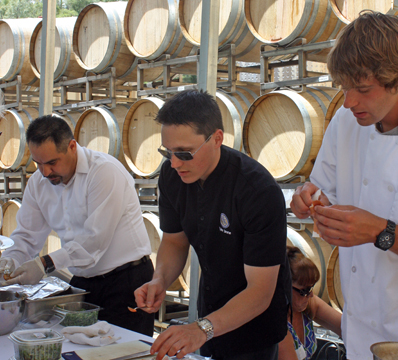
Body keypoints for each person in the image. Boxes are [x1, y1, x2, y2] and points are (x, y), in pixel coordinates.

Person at [290, 10, 398, 359]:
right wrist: (309, 200)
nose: (349, 101)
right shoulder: (345, 121)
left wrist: (379, 232)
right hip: (359, 333)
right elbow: (324, 191)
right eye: (344, 88)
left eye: (363, 90)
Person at [134, 89, 289, 360]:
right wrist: (160, 279)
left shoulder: (257, 190)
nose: (174, 163)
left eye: (184, 153)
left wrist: (201, 329)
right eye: (167, 152)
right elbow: (174, 240)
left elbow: (260, 292)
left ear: (217, 138)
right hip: (208, 315)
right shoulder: (171, 176)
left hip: (254, 328)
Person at [0, 115, 155, 336]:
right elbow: (26, 236)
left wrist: (43, 264)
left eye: (52, 162)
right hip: (83, 283)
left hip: (127, 282)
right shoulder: (38, 183)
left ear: (72, 146)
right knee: (79, 348)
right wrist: (10, 262)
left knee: (125, 352)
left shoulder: (104, 172)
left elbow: (94, 240)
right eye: (38, 163)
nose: (45, 172)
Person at [278, 246, 341, 360]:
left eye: (311, 288)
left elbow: (345, 328)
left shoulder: (309, 305)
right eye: (304, 290)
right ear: (283, 287)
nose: (311, 294)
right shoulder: (275, 324)